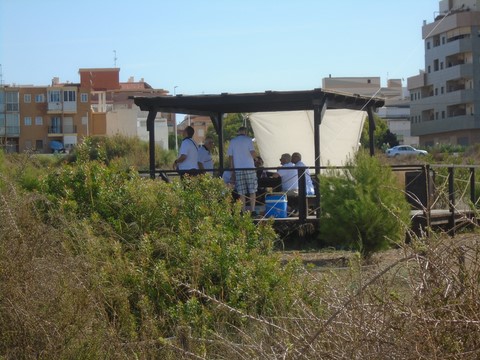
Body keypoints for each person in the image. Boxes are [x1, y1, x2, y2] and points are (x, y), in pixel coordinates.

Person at [227, 126, 257, 214]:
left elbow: (230, 157)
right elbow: (252, 152)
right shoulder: (248, 140)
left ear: (238, 132)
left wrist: (232, 170)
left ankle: (243, 211)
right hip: (249, 168)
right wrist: (257, 159)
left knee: (241, 192)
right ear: (246, 132)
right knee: (252, 190)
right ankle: (253, 210)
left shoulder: (233, 141)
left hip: (238, 169)